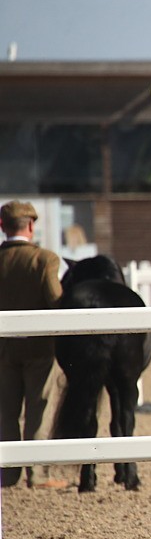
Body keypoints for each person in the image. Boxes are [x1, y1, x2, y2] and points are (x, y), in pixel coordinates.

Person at [0, 200, 68, 488]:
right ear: (30, 225)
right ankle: (37, 473)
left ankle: (8, 473)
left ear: (2, 226)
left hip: (3, 349)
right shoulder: (44, 260)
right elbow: (56, 300)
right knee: (39, 408)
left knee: (6, 412)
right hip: (39, 348)